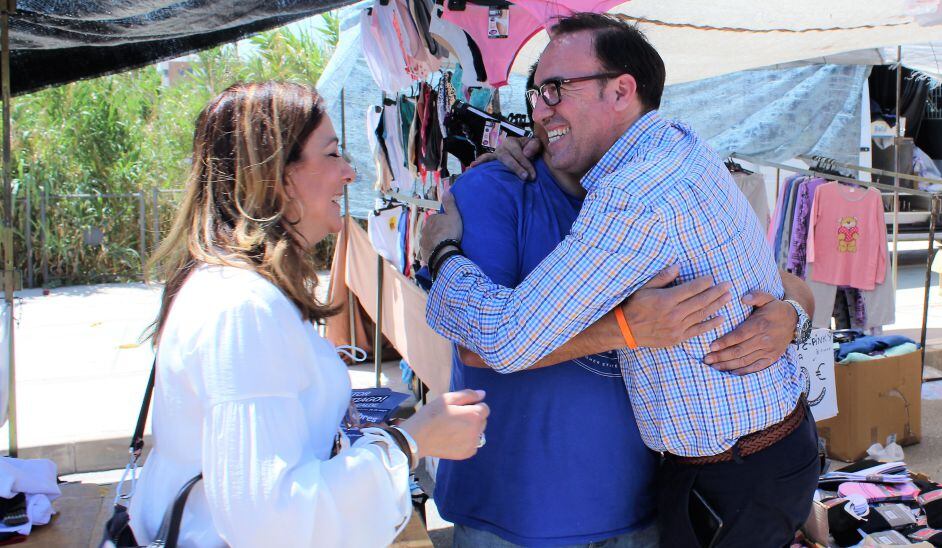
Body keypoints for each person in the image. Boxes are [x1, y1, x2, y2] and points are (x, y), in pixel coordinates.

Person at [420, 14, 819, 547]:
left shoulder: (632, 193)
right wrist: (626, 328)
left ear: (622, 90)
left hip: (725, 476)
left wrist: (440, 251)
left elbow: (504, 338)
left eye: (557, 88)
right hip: (712, 470)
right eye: (535, 93)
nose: (541, 109)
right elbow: (477, 348)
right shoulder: (679, 145)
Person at [128, 81, 488, 547]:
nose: (350, 173)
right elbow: (273, 522)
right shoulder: (243, 310)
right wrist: (411, 442)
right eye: (332, 154)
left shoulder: (236, 292)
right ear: (276, 175)